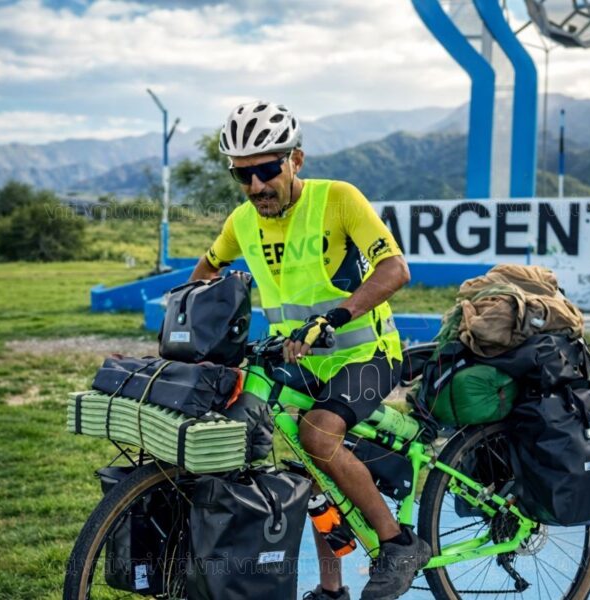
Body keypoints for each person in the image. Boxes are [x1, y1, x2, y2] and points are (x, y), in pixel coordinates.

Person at [190, 100, 431, 600]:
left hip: (368, 355)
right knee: (305, 462)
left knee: (317, 435)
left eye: (266, 169)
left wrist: (334, 317)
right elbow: (205, 272)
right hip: (301, 362)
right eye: (243, 175)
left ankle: (399, 543)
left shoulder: (338, 199)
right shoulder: (240, 222)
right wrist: (198, 326)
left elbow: (395, 271)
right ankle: (330, 589)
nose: (256, 186)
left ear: (295, 160)